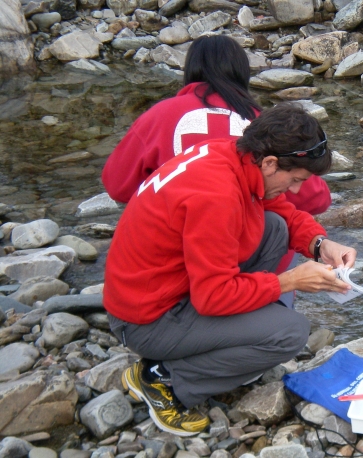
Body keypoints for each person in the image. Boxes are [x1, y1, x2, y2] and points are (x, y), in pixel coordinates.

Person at [104, 103, 356, 437]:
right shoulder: (216, 196)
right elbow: (212, 297)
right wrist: (290, 280)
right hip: (146, 320)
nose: (296, 190)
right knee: (291, 333)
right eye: (295, 179)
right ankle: (164, 378)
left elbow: (281, 209)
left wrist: (320, 244)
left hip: (165, 291)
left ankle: (239, 339)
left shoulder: (229, 153)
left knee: (273, 228)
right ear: (269, 162)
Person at [101, 35, 332, 303]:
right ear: (242, 73)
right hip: (228, 262)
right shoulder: (262, 124)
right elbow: (316, 199)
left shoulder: (158, 115)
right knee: (284, 322)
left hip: (167, 266)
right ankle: (256, 311)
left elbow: (117, 185)